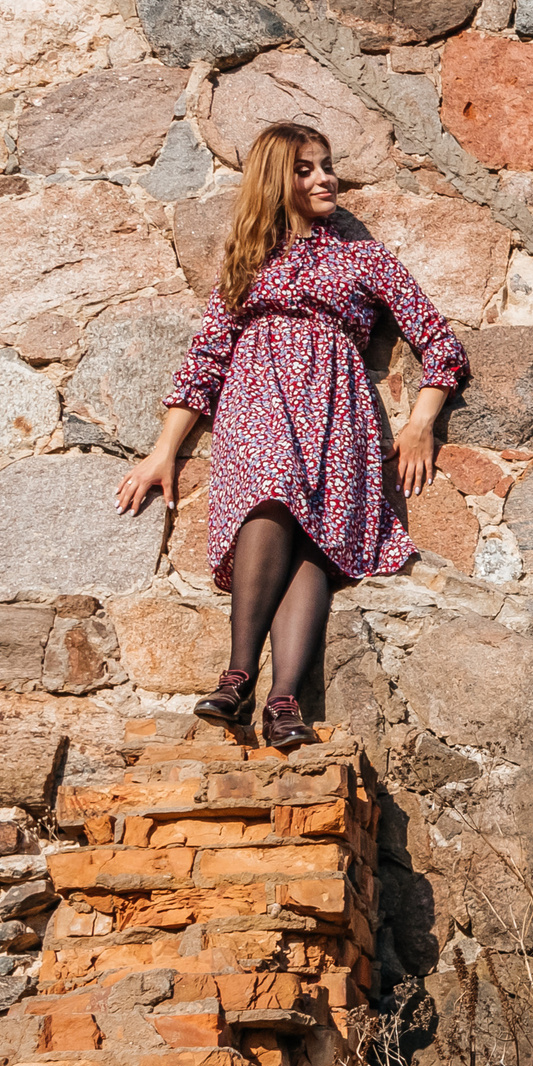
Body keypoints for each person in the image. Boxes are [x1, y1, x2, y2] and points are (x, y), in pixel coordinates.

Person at [115, 122, 469, 748]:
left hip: (338, 413)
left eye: (327, 165)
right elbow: (205, 361)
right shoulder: (247, 256)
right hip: (257, 402)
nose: (325, 178)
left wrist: (420, 423)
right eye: (306, 169)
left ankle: (282, 703)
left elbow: (440, 345)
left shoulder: (364, 256)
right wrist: (162, 451)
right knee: (269, 498)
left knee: (316, 544)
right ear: (279, 180)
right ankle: (238, 675)